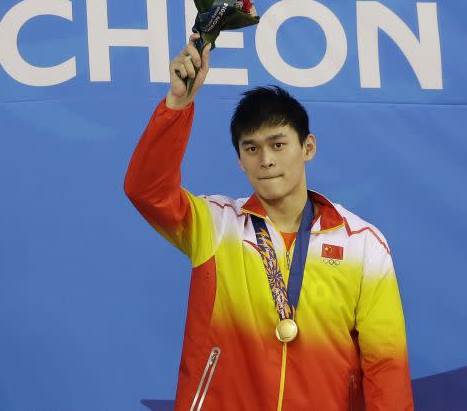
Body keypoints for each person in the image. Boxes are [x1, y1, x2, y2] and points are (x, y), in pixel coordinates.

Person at [124, 34, 413, 410]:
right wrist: (178, 103)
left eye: (278, 144)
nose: (266, 160)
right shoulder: (214, 225)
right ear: (239, 160)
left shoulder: (362, 244)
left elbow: (386, 365)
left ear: (307, 147)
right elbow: (146, 190)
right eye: (252, 148)